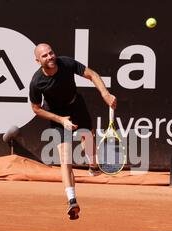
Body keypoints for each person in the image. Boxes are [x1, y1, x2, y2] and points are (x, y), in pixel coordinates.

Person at [29, 43, 117, 220]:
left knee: (88, 141)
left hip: (76, 106)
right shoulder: (37, 82)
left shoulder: (66, 63)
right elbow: (36, 109)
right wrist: (61, 120)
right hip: (57, 115)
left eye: (51, 53)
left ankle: (92, 165)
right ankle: (72, 201)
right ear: (38, 61)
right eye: (44, 56)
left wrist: (105, 94)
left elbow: (92, 74)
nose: (50, 57)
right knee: (65, 157)